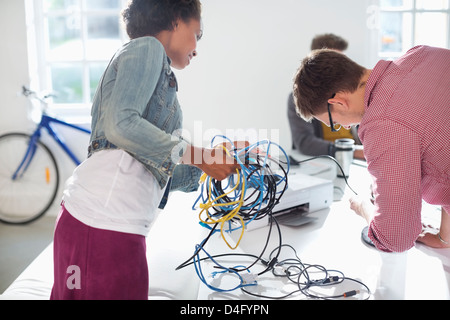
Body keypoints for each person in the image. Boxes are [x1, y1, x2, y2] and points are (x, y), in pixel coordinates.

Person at [50, 0, 242, 300]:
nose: (197, 47)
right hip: (99, 223)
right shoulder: (147, 48)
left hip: (120, 228)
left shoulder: (158, 73)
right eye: (198, 34)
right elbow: (121, 125)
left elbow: (155, 171)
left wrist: (220, 163)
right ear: (176, 20)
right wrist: (202, 157)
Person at [292, 45, 450, 252]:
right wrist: (444, 237)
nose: (345, 128)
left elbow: (396, 239)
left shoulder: (382, 125)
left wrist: (365, 208)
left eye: (334, 123)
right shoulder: (422, 54)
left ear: (338, 102)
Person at [287, 34, 364, 160]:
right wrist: (350, 151)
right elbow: (305, 142)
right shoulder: (303, 100)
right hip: (329, 159)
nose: (341, 69)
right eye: (333, 64)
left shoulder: (352, 92)